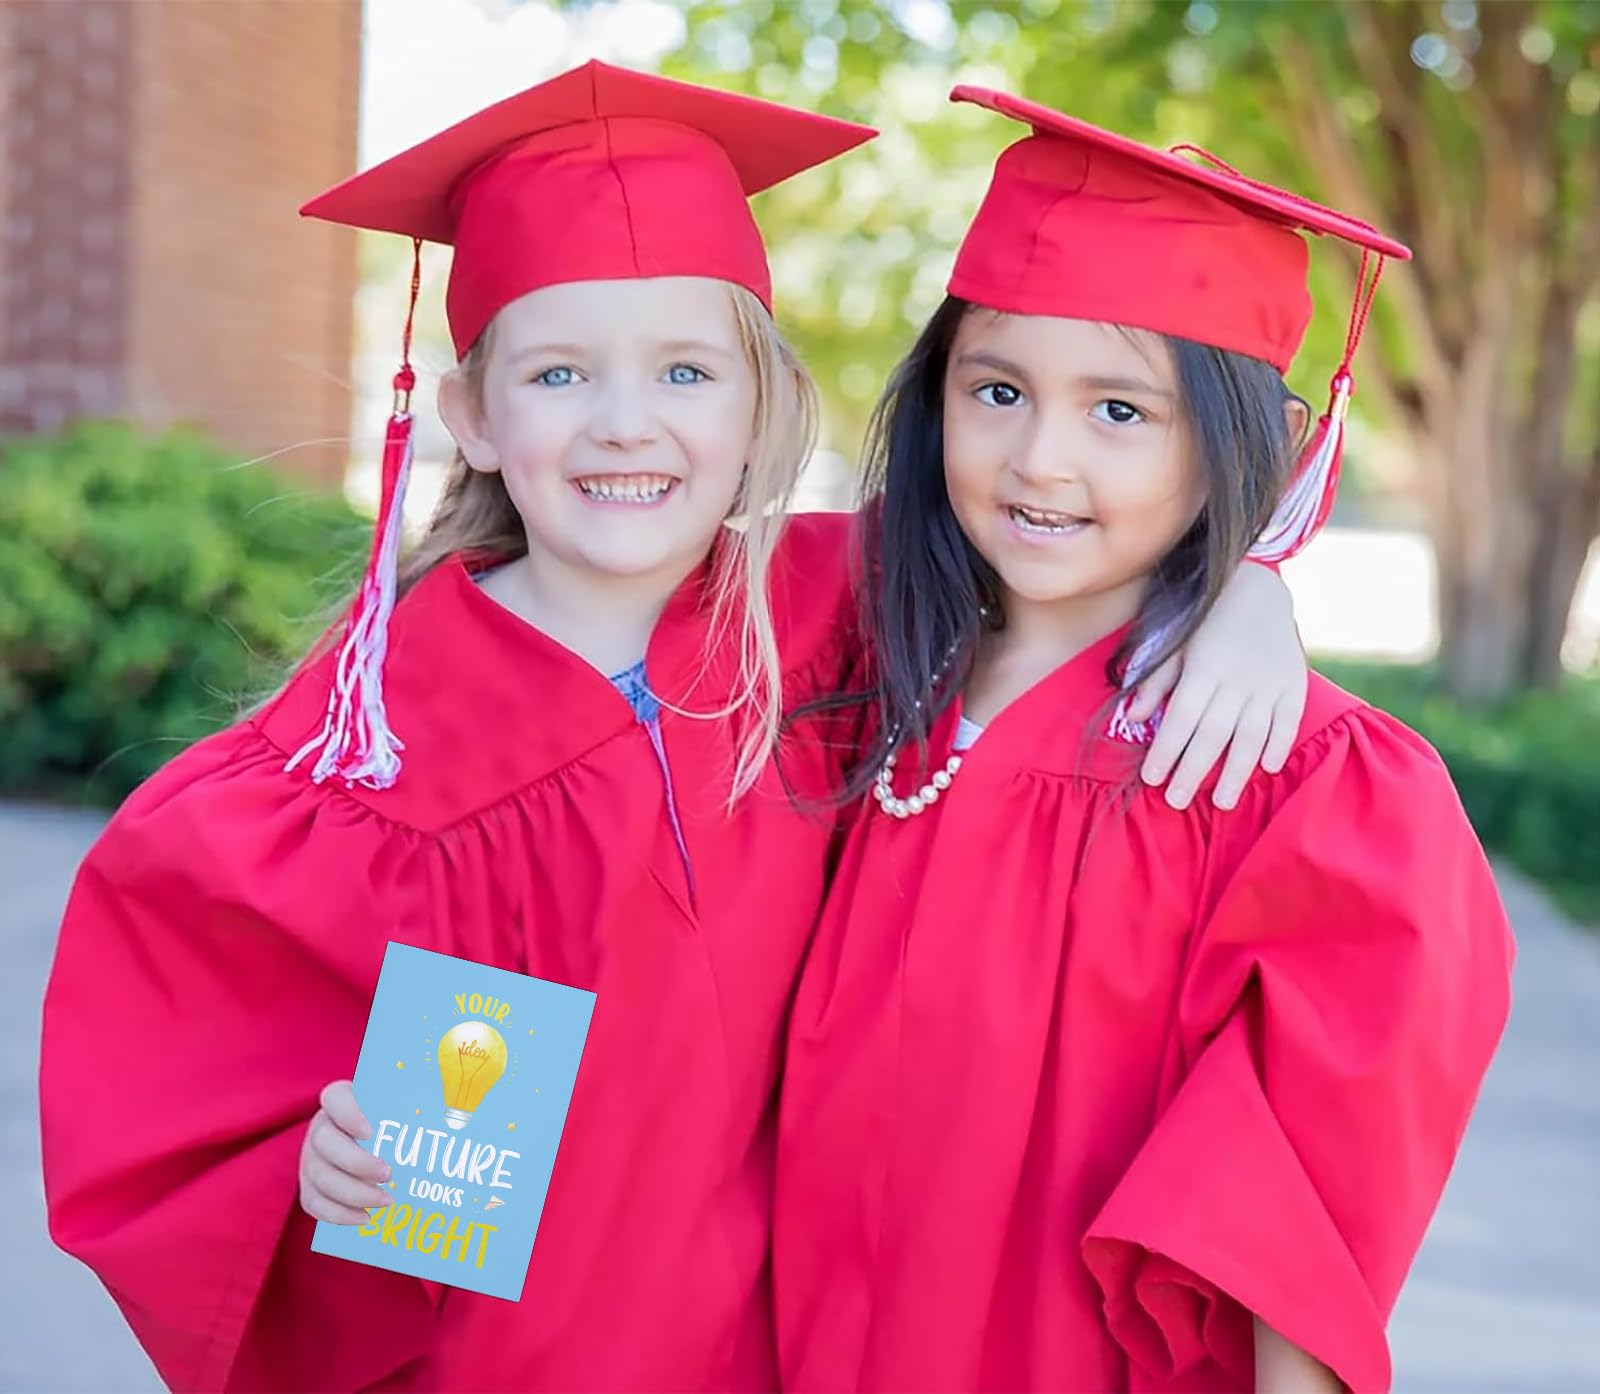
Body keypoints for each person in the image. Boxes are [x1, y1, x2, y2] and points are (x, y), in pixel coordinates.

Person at [41, 63, 1305, 1394]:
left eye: (686, 369)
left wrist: (1248, 587)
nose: (625, 423)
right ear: (470, 411)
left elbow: (1069, 544)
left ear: (758, 400)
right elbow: (182, 1078)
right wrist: (307, 1156)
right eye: (560, 371)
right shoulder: (371, 754)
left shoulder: (828, 624)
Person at [774, 88, 1515, 1394]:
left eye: (1122, 411)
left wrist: (1259, 579)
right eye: (994, 388)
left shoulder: (1300, 788)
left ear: (1266, 450)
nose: (1039, 459)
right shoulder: (840, 647)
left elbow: (1295, 1235)